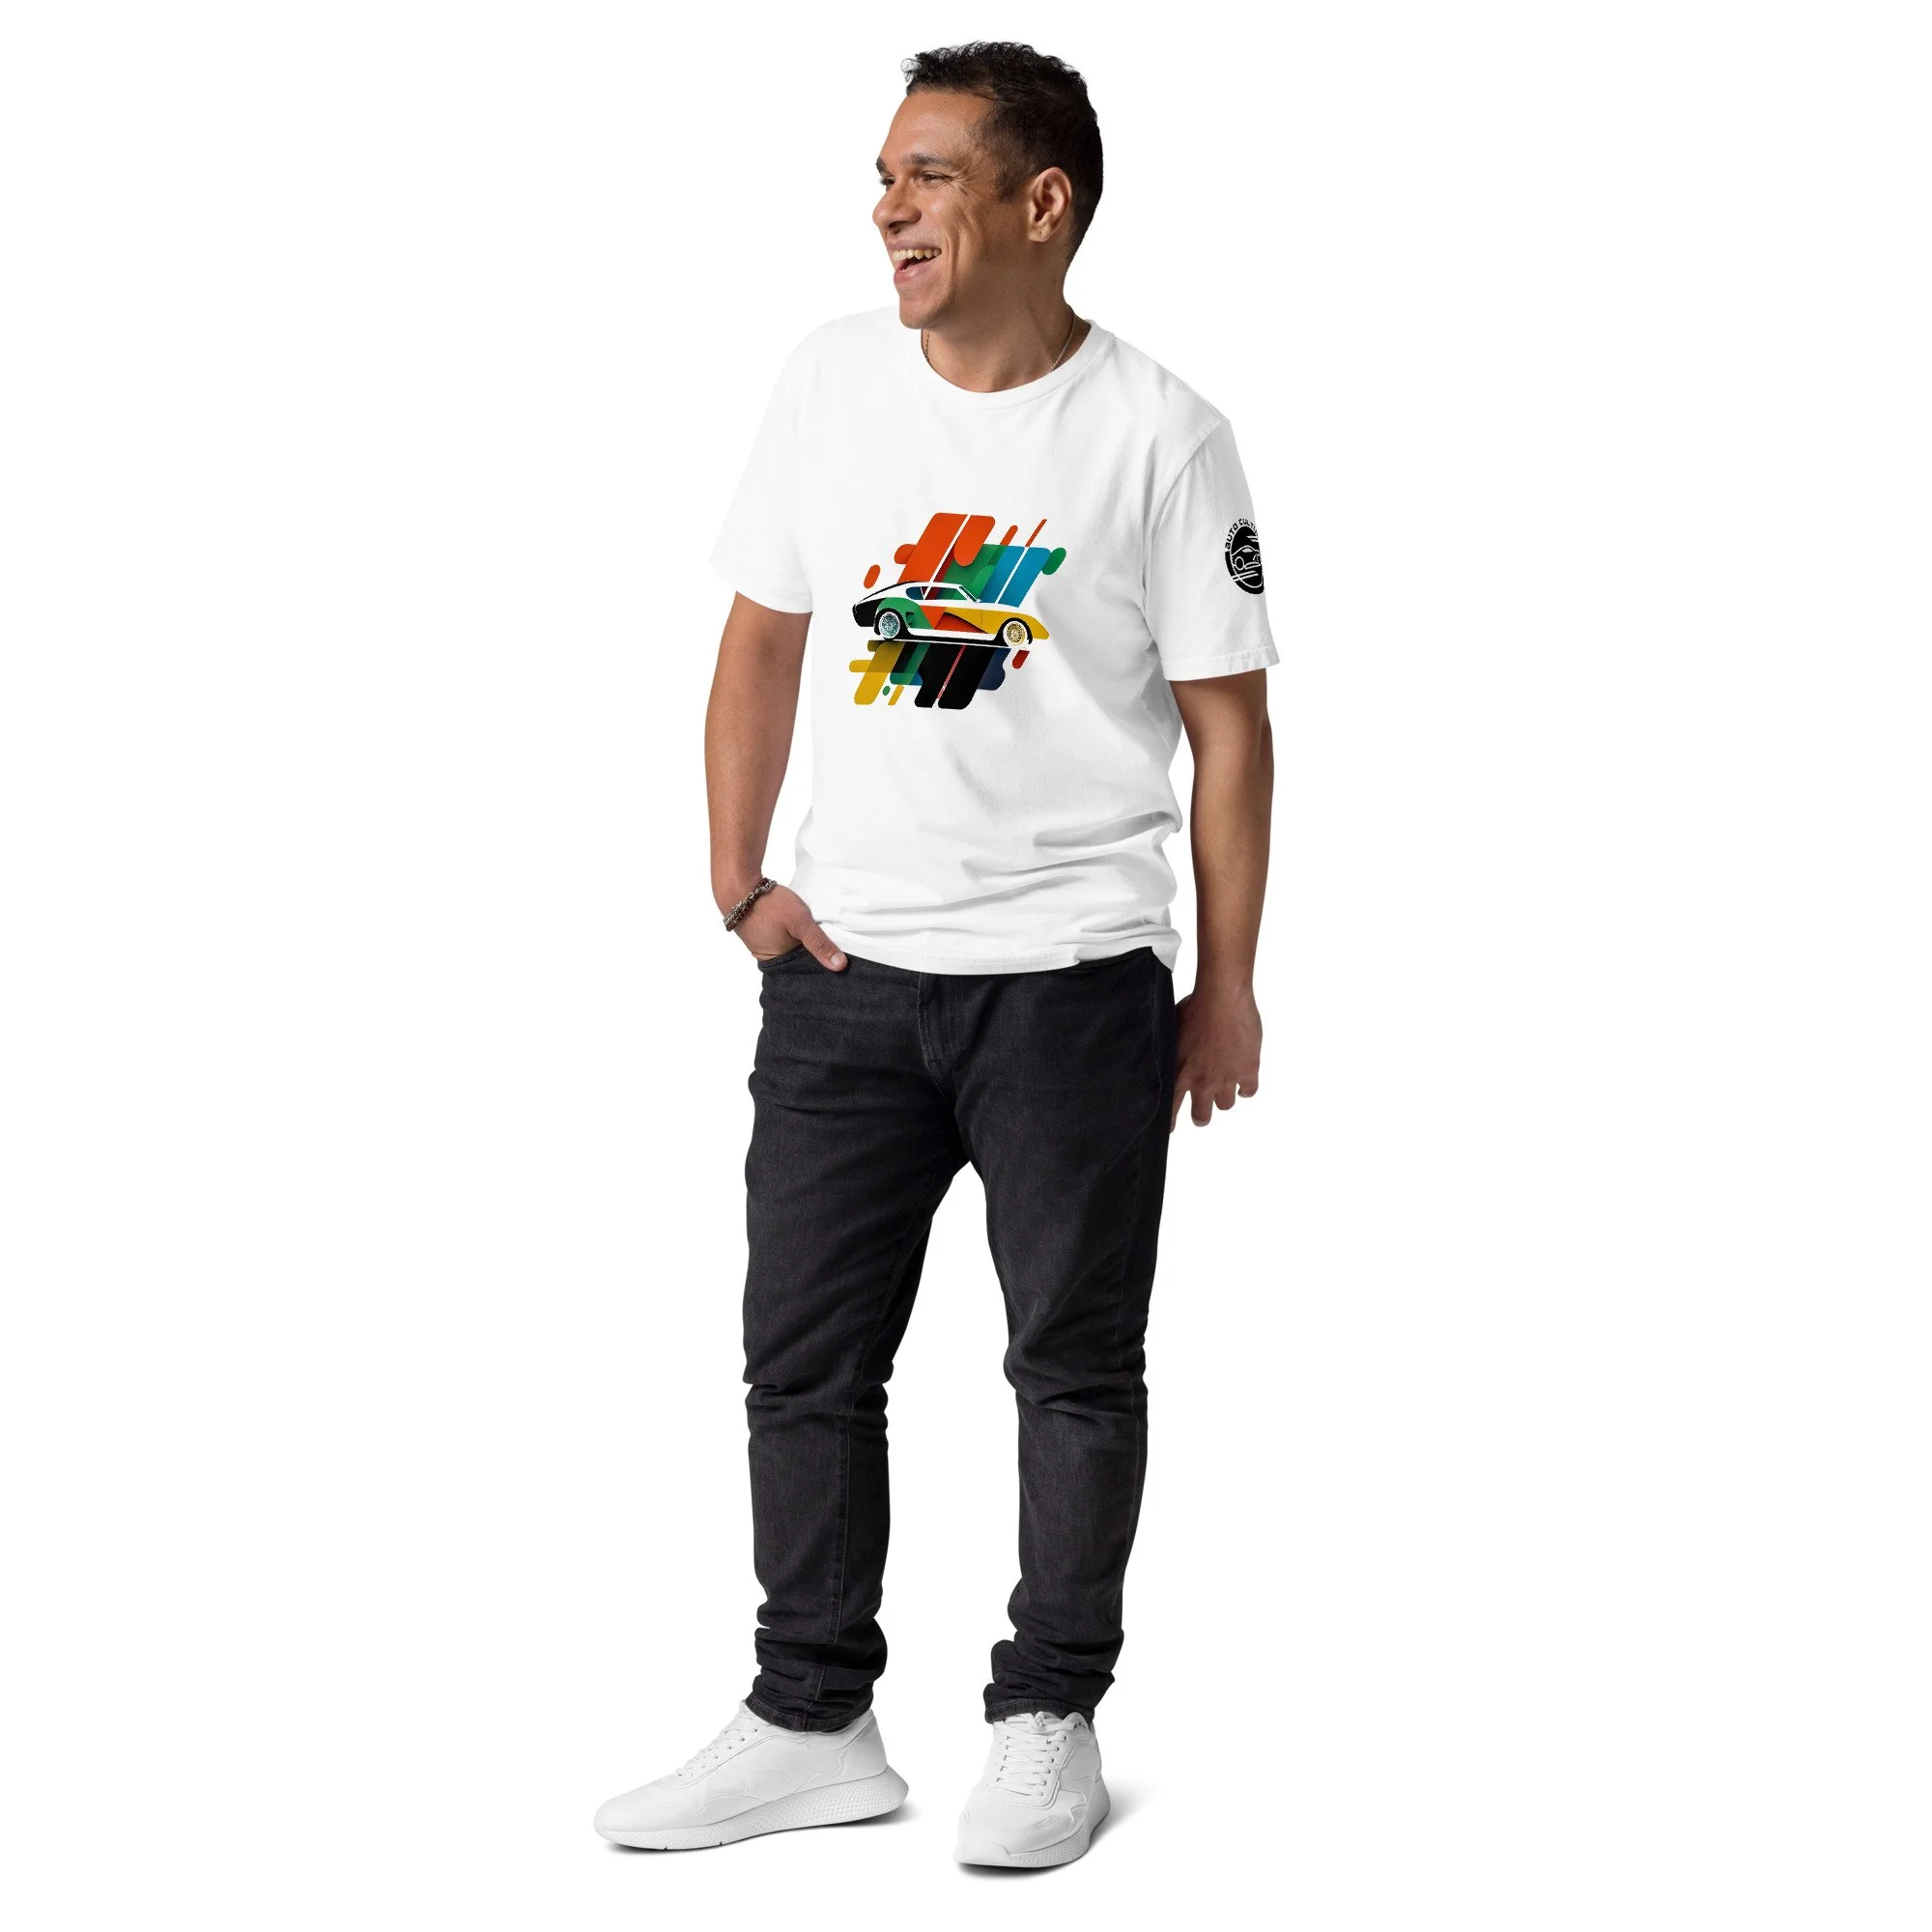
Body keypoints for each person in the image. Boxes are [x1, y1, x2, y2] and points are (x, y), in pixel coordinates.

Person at [595, 40, 1275, 1868]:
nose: (886, 206)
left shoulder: (1163, 433)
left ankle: (1050, 1715)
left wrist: (1225, 982)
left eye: (928, 174)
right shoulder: (830, 382)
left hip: (1072, 985)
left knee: (1074, 1368)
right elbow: (760, 637)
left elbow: (1231, 733)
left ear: (1043, 204)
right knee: (803, 1367)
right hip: (846, 982)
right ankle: (811, 1716)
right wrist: (736, 884)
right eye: (883, 176)